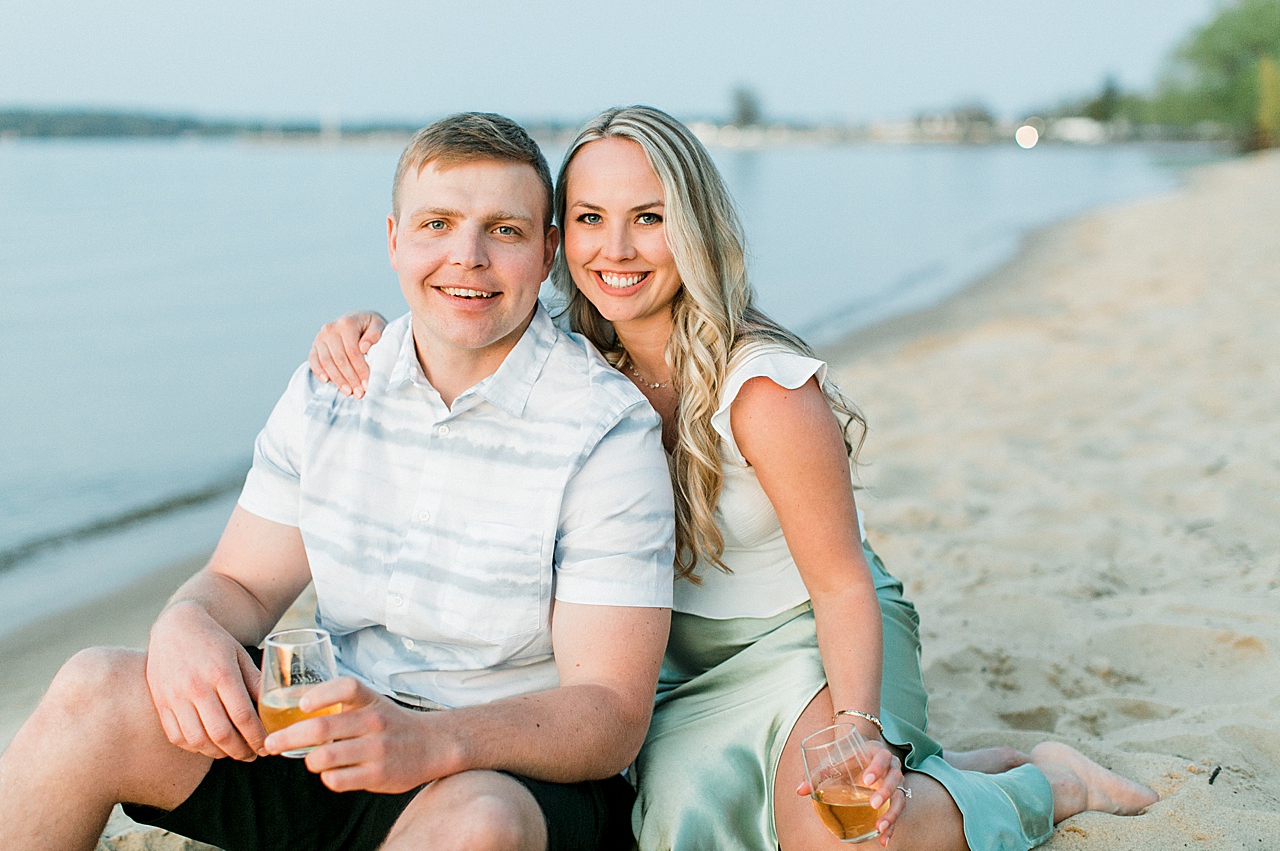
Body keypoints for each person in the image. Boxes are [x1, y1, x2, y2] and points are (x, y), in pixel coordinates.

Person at [311, 105, 1162, 850]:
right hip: (667, 669)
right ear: (552, 239)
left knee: (843, 832)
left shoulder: (762, 390)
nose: (615, 249)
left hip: (806, 641)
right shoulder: (565, 367)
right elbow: (453, 313)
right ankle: (953, 770)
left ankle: (1048, 784)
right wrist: (361, 333)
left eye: (649, 218)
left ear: (697, 227)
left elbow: (840, 586)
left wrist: (857, 730)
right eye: (589, 218)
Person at [0, 112, 678, 851]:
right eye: (437, 224)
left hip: (504, 767)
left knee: (478, 825)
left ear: (548, 251)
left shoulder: (604, 428)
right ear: (394, 241)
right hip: (329, 734)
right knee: (92, 689)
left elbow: (610, 712)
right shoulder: (333, 386)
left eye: (504, 231)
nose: (467, 257)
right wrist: (187, 622)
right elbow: (242, 584)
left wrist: (429, 741)